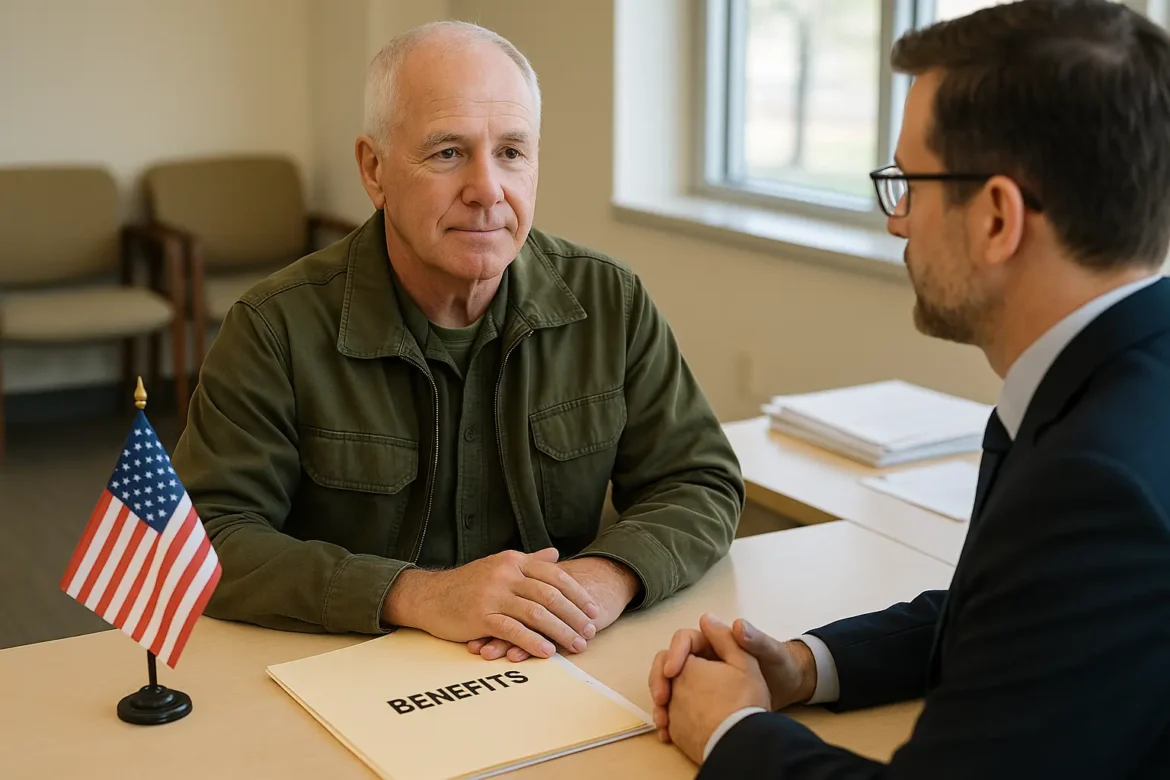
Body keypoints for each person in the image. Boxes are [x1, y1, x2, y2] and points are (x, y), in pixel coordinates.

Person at [649, 1, 1170, 776]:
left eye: (911, 186)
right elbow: (1015, 621)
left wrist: (728, 730)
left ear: (996, 218)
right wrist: (806, 666)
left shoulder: (1093, 486)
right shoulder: (1118, 379)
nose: (897, 224)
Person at [171, 21, 743, 663]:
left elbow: (699, 480)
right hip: (349, 667)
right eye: (447, 152)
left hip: (553, 658)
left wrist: (604, 579)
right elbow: (203, 536)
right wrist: (417, 594)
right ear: (374, 170)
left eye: (512, 152)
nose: (487, 190)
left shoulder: (610, 301)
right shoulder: (274, 327)